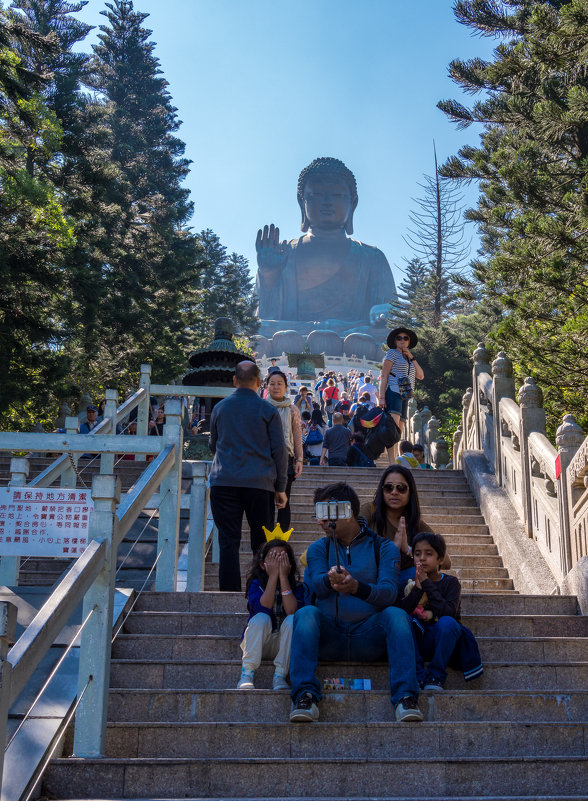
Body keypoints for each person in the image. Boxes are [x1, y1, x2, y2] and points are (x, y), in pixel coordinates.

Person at [288, 482, 422, 723]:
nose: (319, 521)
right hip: (330, 636)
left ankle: (405, 698)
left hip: (369, 635)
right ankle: (304, 695)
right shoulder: (318, 547)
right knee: (306, 613)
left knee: (396, 615)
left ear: (347, 511)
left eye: (325, 513)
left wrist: (357, 588)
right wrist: (331, 581)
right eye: (318, 513)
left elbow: (389, 592)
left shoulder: (383, 547)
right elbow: (316, 584)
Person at [255, 157, 396, 324]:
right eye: (316, 194)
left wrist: (380, 321)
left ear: (353, 203)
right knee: (261, 335)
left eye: (337, 195)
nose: (327, 202)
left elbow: (390, 318)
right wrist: (269, 275)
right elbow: (263, 319)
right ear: (302, 202)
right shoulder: (284, 254)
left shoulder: (373, 258)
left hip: (356, 339)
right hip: (291, 338)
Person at [209, 361, 288, 592]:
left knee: (228, 541)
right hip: (260, 483)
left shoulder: (220, 408)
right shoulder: (268, 410)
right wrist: (280, 487)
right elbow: (279, 451)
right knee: (261, 542)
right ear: (259, 382)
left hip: (224, 481)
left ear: (234, 380)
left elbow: (214, 445)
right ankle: (261, 589)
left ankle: (229, 593)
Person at [359, 465, 451, 582]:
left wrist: (409, 550)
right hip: (372, 577)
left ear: (410, 492)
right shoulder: (369, 511)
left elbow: (445, 562)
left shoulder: (417, 526)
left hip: (403, 583)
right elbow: (351, 539)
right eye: (388, 487)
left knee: (424, 573)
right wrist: (392, 548)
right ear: (382, 490)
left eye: (401, 488)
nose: (394, 492)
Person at [398, 532, 465, 691]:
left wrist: (427, 583)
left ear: (440, 559)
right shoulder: (409, 585)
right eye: (417, 553)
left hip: (442, 641)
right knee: (402, 619)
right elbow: (402, 614)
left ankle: (436, 676)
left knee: (448, 622)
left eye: (428, 554)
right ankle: (418, 675)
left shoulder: (451, 583)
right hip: (418, 643)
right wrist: (417, 589)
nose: (421, 558)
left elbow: (448, 614)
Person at [238, 538, 305, 691]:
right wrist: (273, 576)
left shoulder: (299, 587)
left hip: (284, 644)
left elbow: (292, 611)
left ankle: (280, 675)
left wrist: (282, 577)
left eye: (282, 558)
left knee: (293, 620)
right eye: (273, 558)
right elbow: (264, 607)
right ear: (262, 564)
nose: (278, 562)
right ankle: (247, 673)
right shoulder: (256, 585)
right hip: (259, 642)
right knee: (261, 617)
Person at [379, 327, 424, 461]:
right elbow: (384, 375)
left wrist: (412, 357)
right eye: (399, 338)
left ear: (409, 341)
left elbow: (421, 375)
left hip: (405, 394)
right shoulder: (392, 353)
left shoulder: (409, 358)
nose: (402, 340)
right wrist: (381, 398)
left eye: (405, 338)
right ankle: (392, 461)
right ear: (395, 340)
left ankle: (398, 459)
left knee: (400, 428)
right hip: (393, 391)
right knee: (393, 428)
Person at [266, 371, 304, 530]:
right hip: (265, 459)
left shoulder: (292, 409)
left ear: (286, 387)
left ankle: (281, 541)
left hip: (286, 460)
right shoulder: (262, 406)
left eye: (279, 383)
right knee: (266, 502)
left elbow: (297, 435)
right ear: (267, 386)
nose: (276, 387)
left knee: (284, 501)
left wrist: (300, 459)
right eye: (272, 383)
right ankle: (265, 542)